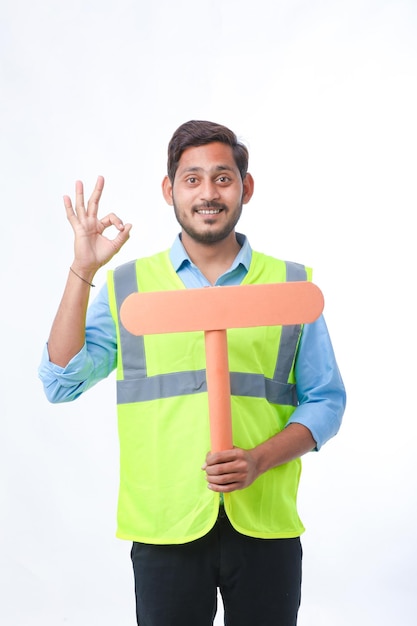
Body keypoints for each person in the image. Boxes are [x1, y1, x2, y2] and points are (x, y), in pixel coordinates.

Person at [39, 120, 346, 626]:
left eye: (223, 178)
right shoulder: (128, 286)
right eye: (192, 179)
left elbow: (327, 400)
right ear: (169, 190)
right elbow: (60, 381)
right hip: (164, 529)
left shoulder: (292, 285)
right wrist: (82, 272)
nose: (208, 193)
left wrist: (260, 459)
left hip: (264, 524)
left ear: (246, 187)